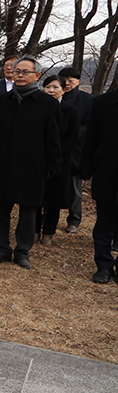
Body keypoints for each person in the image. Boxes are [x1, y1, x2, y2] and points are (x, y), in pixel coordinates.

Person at [0, 56, 61, 269]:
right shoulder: (0, 102)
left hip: (32, 165)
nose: (20, 74)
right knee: (2, 210)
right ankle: (1, 249)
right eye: (17, 71)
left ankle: (22, 251)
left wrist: (53, 164)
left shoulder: (47, 104)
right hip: (3, 163)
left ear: (37, 76)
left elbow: (53, 138)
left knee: (29, 212)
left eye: (25, 72)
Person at [34, 76, 79, 246]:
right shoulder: (37, 108)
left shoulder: (70, 111)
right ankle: (34, 231)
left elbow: (73, 135)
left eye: (55, 87)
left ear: (63, 89)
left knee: (54, 199)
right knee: (36, 197)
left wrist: (56, 153)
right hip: (38, 159)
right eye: (47, 87)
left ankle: (49, 232)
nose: (51, 90)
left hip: (60, 161)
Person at [80, 86, 118, 283]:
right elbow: (91, 138)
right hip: (107, 172)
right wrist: (85, 169)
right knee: (104, 224)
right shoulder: (102, 102)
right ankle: (103, 266)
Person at [58, 67, 93, 233]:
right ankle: (47, 216)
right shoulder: (54, 96)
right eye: (64, 80)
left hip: (76, 148)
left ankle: (74, 219)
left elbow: (90, 125)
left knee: (74, 188)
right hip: (55, 147)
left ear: (78, 81)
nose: (67, 84)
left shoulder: (87, 100)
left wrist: (74, 133)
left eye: (71, 80)